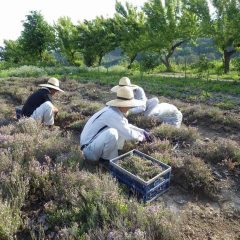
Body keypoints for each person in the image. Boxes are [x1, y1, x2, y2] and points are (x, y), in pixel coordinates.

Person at [80, 86, 152, 163]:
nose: (130, 107)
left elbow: (125, 126)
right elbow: (128, 135)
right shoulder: (112, 114)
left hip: (91, 144)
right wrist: (141, 138)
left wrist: (142, 131)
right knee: (112, 133)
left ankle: (114, 152)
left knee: (119, 130)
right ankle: (109, 162)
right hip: (88, 151)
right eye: (128, 105)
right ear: (122, 104)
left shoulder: (112, 110)